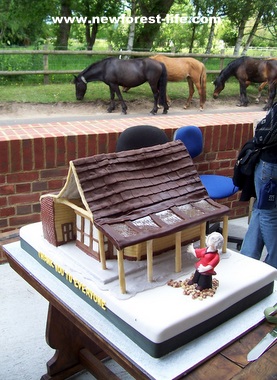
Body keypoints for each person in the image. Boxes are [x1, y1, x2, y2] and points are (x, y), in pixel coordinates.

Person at [240, 102, 277, 268]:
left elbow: (263, 135)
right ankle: (247, 259)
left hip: (271, 164)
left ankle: (273, 265)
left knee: (267, 213)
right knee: (260, 209)